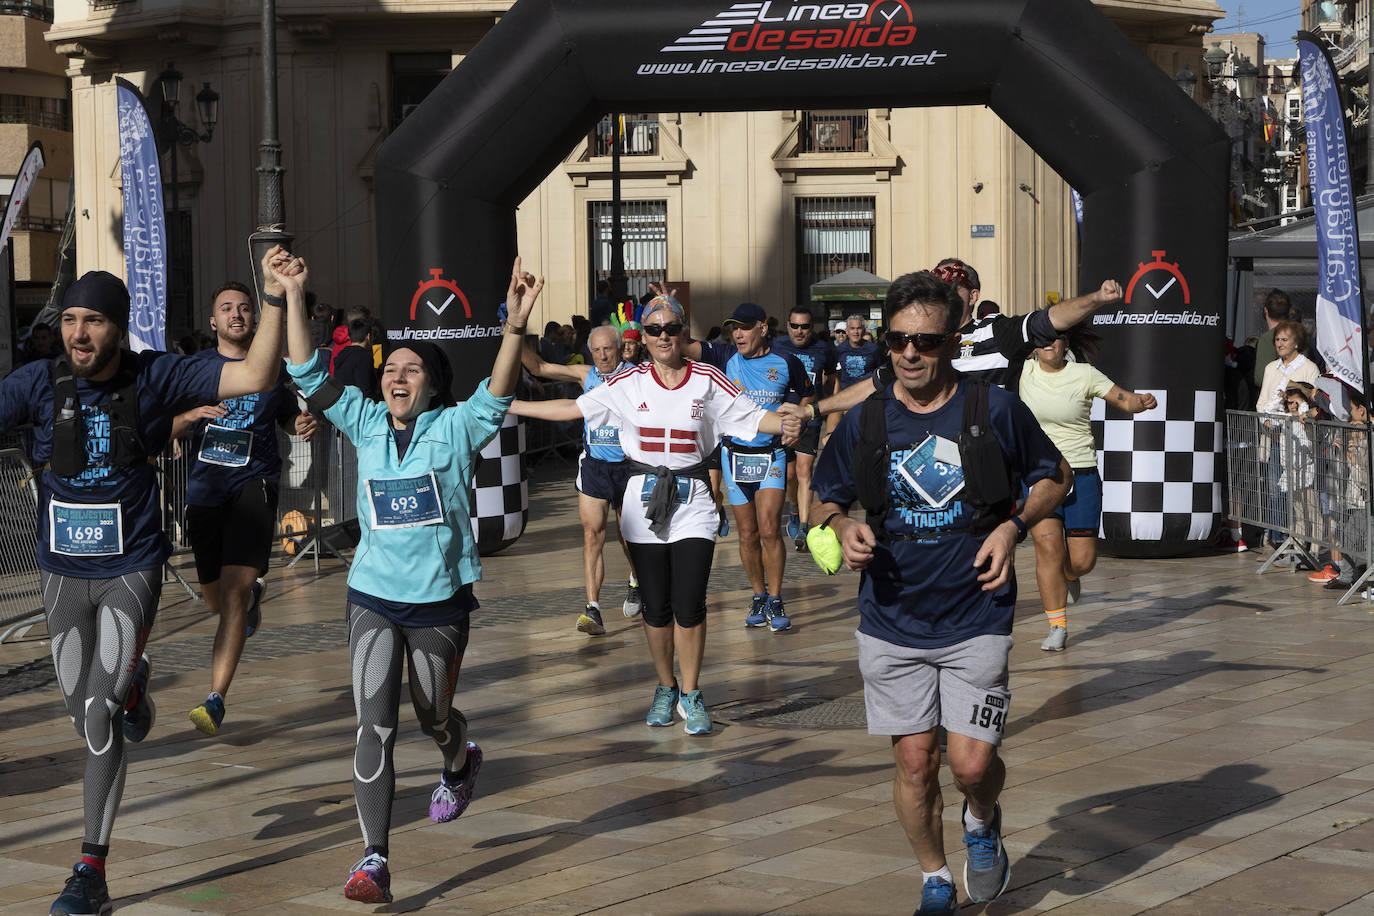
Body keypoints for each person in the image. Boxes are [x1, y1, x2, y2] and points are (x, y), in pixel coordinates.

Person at [0, 257, 289, 916]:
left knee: (98, 719)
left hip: (130, 569)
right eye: (70, 319)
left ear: (118, 328)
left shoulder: (156, 375)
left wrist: (273, 296)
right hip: (61, 573)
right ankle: (133, 687)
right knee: (83, 713)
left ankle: (90, 871)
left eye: (92, 321)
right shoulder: (37, 383)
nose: (78, 333)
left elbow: (255, 375)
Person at [279, 251, 543, 904]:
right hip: (371, 597)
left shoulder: (455, 428)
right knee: (375, 725)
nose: (397, 376)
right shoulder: (363, 421)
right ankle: (373, 857)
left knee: (431, 717)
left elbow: (498, 396)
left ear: (431, 383)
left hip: (439, 605)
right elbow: (306, 371)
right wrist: (291, 295)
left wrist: (513, 327)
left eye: (410, 369)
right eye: (390, 368)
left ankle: (460, 759)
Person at [810, 270, 1070, 913]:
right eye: (897, 341)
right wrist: (842, 524)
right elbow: (822, 496)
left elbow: (1056, 477)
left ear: (951, 341)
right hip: (890, 618)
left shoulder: (993, 408)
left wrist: (1012, 529)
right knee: (916, 765)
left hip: (976, 610)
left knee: (973, 765)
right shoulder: (868, 418)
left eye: (925, 342)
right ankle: (933, 877)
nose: (909, 354)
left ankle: (981, 820)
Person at [508, 294, 800, 735]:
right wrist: (508, 407)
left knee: (689, 603)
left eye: (671, 328)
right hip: (642, 498)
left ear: (683, 332)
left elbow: (752, 417)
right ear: (643, 338)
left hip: (694, 500)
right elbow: (572, 407)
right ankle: (666, 686)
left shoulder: (707, 378)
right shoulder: (628, 382)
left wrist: (792, 420)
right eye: (654, 330)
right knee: (657, 607)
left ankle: (693, 692)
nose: (663, 337)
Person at [172, 281, 319, 735]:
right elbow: (167, 423)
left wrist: (300, 423)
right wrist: (186, 421)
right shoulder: (194, 369)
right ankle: (250, 598)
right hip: (205, 492)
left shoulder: (271, 367)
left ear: (255, 318)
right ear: (213, 321)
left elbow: (286, 418)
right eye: (226, 309)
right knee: (217, 601)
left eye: (244, 308)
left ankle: (216, 698)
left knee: (232, 594)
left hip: (253, 484)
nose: (236, 314)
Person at [797, 265, 1125, 421]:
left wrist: (1096, 298)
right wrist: (813, 410)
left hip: (987, 455)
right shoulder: (921, 338)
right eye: (938, 289)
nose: (944, 298)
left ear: (974, 296)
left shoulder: (997, 333)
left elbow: (1049, 318)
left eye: (953, 290)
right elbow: (876, 383)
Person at [1018, 327, 1156, 651]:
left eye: (1055, 338)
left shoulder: (1084, 374)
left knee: (1082, 562)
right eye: (1042, 338)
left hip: (1081, 475)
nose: (1049, 343)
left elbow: (1123, 398)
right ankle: (1057, 626)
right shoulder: (1022, 373)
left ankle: (1069, 574)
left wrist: (1140, 402)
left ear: (1066, 343)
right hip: (1039, 478)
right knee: (1047, 550)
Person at [520, 324, 642, 633]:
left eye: (608, 349)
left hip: (630, 467)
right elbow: (539, 367)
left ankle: (636, 579)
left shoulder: (637, 377)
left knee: (628, 535)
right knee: (592, 534)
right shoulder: (585, 373)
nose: (602, 356)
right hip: (595, 465)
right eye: (597, 350)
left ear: (620, 348)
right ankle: (593, 609)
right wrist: (512, 332)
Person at [717, 302, 812, 632]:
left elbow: (808, 396)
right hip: (734, 457)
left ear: (762, 328)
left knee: (770, 528)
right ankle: (758, 595)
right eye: (734, 328)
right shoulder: (724, 359)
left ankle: (775, 597)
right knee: (747, 533)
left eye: (744, 327)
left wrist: (796, 419)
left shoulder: (786, 361)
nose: (738, 333)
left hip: (771, 454)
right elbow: (685, 347)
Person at [770, 303, 834, 550]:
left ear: (812, 328)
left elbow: (832, 377)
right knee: (789, 474)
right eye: (794, 326)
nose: (799, 331)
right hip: (783, 418)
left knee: (805, 469)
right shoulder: (777, 347)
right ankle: (795, 509)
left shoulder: (823, 349)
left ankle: (804, 528)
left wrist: (829, 408)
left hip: (810, 417)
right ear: (788, 326)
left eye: (804, 326)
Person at [1257, 320, 1319, 549]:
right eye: (1277, 340)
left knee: (1303, 494)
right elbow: (1262, 402)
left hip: (1300, 441)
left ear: (1296, 343)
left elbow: (1311, 402)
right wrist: (1267, 422)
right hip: (1275, 439)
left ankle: (1304, 540)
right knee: (1276, 489)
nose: (1279, 344)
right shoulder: (1270, 368)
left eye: (1284, 339)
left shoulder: (1309, 368)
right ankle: (1279, 538)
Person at [333, 317, 380, 400]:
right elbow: (365, 390)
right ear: (369, 336)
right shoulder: (364, 357)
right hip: (359, 407)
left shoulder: (341, 355)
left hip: (342, 404)